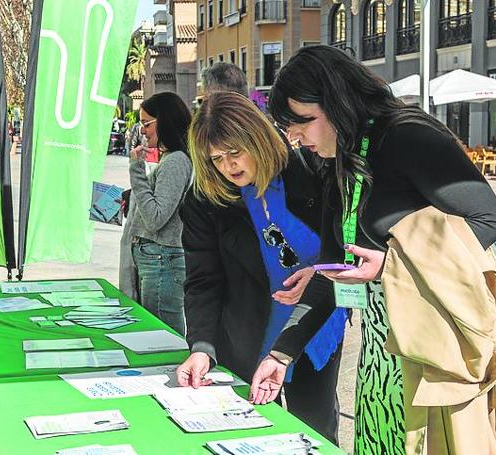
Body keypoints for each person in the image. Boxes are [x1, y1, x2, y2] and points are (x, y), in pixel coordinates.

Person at [265, 45, 496, 454]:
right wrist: (282, 354)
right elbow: (338, 265)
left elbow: (488, 218)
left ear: (337, 101)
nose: (294, 138)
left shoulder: (409, 136)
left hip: (435, 350)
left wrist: (393, 267)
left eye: (302, 122)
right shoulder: (341, 156)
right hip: (379, 360)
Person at [176, 91, 348, 443]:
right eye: (217, 159)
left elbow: (343, 250)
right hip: (249, 325)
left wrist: (322, 273)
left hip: (315, 320)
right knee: (248, 430)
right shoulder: (204, 201)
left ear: (256, 138)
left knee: (314, 429)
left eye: (235, 152)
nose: (228, 166)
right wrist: (201, 346)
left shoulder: (310, 170)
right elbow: (203, 280)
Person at [127, 92, 193, 336]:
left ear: (165, 121)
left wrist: (137, 172)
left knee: (162, 336)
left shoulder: (176, 161)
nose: (143, 131)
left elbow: (156, 217)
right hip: (156, 258)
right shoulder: (171, 158)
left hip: (161, 259)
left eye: (147, 123)